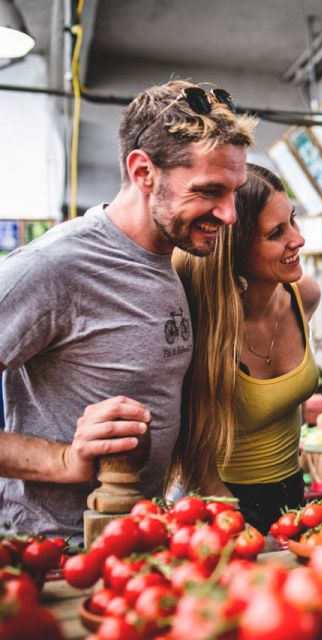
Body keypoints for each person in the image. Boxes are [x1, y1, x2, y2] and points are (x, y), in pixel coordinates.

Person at [0, 80, 255, 538]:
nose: (230, 213)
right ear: (143, 172)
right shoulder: (53, 266)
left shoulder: (167, 259)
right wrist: (64, 460)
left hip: (142, 541)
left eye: (234, 191)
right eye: (210, 190)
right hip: (57, 550)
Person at [172, 164, 321, 533]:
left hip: (291, 494)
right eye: (276, 233)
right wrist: (241, 528)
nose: (298, 239)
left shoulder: (303, 296)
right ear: (236, 248)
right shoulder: (200, 325)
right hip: (219, 499)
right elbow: (198, 471)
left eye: (293, 220)